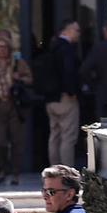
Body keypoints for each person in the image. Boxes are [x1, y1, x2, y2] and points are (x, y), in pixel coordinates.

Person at [0, 36, 33, 183]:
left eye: (4, 47)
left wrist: (19, 78)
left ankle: (15, 173)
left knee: (17, 141)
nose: (1, 50)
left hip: (15, 107)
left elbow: (30, 79)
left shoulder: (18, 63)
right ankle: (4, 168)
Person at [44, 21, 81, 169]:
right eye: (77, 30)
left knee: (55, 136)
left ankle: (54, 170)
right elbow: (69, 72)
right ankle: (67, 172)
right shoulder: (67, 49)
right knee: (68, 137)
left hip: (50, 99)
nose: (79, 34)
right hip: (65, 98)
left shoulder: (51, 48)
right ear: (67, 30)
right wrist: (72, 92)